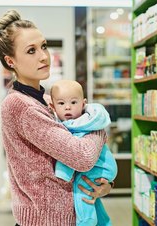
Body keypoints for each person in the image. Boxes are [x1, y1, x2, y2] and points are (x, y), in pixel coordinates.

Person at [0, 10, 113, 226]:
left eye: (44, 46)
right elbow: (83, 157)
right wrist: (97, 124)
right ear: (10, 61)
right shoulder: (22, 106)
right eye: (31, 50)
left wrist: (104, 183)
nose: (43, 56)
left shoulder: (45, 99)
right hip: (46, 220)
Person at [50, 80, 118, 226]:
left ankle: (86, 221)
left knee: (81, 189)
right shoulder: (82, 122)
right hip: (100, 166)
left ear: (83, 103)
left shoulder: (80, 124)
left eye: (73, 102)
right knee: (93, 196)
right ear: (53, 106)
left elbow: (72, 153)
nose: (67, 107)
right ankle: (103, 222)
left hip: (101, 167)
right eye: (61, 103)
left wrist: (63, 174)